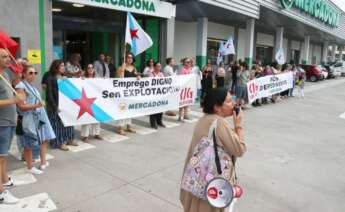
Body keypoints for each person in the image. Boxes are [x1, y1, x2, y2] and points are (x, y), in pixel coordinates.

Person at [180, 88, 246, 212]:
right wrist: (238, 125)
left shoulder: (203, 119)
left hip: (197, 183)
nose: (233, 104)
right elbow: (239, 149)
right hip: (212, 186)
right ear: (217, 107)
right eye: (228, 101)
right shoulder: (219, 124)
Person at [15, 65, 55, 174]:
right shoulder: (21, 86)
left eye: (35, 73)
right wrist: (36, 105)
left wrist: (38, 105)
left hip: (39, 117)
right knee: (29, 143)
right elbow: (21, 106)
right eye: (30, 73)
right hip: (30, 118)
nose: (33, 75)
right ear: (24, 74)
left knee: (44, 138)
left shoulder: (30, 85)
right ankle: (30, 167)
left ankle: (43, 162)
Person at [0, 48, 25, 204]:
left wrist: (17, 74)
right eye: (3, 56)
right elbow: (9, 100)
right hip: (1, 123)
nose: (8, 59)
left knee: (3, 156)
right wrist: (14, 102)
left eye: (8, 56)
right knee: (0, 157)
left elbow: (11, 92)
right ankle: (1, 192)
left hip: (8, 121)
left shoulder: (5, 75)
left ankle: (5, 179)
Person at [46, 60, 77, 151]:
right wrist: (55, 106)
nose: (63, 67)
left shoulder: (64, 78)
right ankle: (60, 142)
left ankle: (69, 139)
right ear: (56, 67)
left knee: (69, 122)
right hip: (55, 106)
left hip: (66, 105)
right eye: (61, 66)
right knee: (57, 125)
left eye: (64, 66)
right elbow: (49, 94)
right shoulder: (50, 78)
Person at [115, 53, 139, 135]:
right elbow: (119, 78)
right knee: (122, 108)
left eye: (131, 58)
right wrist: (122, 69)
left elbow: (136, 75)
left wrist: (138, 76)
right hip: (122, 92)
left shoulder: (134, 68)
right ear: (125, 58)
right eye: (128, 57)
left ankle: (129, 126)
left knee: (129, 109)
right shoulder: (121, 67)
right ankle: (120, 127)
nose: (130, 59)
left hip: (131, 92)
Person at [80, 64, 103, 142]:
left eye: (92, 67)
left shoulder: (97, 79)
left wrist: (105, 80)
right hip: (86, 100)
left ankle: (96, 133)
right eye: (88, 68)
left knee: (96, 117)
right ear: (86, 69)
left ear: (94, 69)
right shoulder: (83, 78)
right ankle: (85, 136)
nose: (90, 69)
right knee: (86, 118)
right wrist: (80, 79)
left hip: (96, 100)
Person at [148, 62, 166, 129]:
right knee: (154, 108)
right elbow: (150, 83)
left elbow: (164, 82)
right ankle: (153, 123)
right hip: (153, 93)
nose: (159, 68)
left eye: (160, 66)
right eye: (157, 66)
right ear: (154, 67)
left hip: (160, 93)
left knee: (160, 108)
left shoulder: (161, 74)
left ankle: (159, 121)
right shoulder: (151, 74)